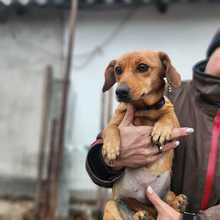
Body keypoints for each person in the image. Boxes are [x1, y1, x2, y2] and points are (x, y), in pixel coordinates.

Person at [86, 30, 220, 220]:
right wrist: (109, 160)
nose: (124, 83)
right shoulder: (171, 95)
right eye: (119, 71)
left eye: (141, 68)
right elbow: (97, 160)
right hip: (133, 209)